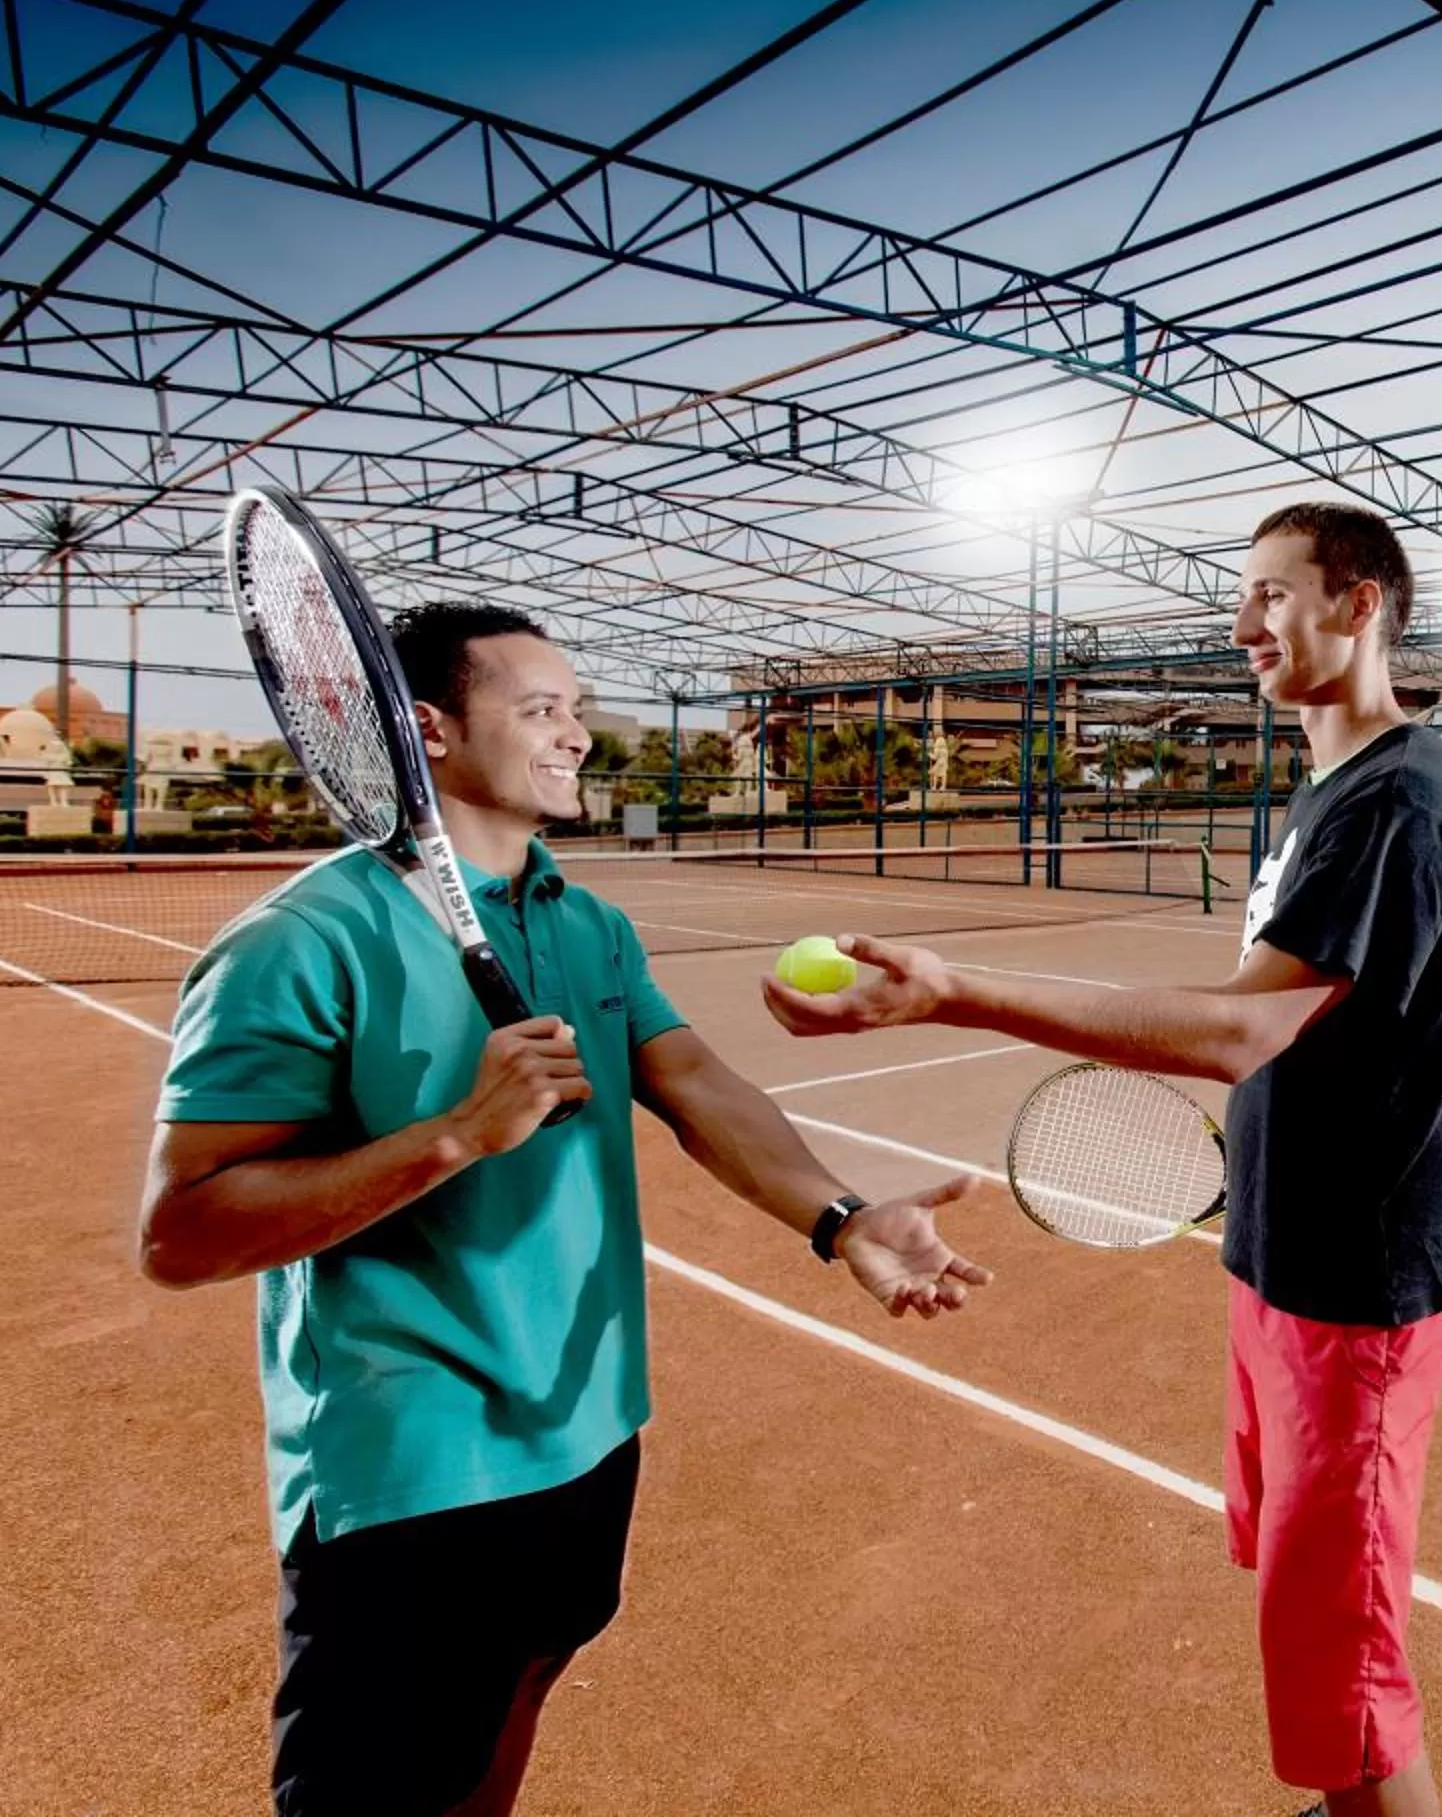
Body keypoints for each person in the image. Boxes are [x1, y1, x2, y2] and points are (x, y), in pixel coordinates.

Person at [138, 601, 990, 1816]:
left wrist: (841, 1215)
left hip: (587, 1422)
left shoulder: (586, 919)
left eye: (576, 709)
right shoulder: (299, 941)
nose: (579, 735)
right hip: (412, 1460)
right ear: (426, 730)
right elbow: (180, 1233)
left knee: (515, 1699)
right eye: (540, 710)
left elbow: (693, 1080)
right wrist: (452, 1136)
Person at [766, 504, 1442, 1817]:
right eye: (1244, 599)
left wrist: (953, 990)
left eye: (1274, 595)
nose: (1241, 627)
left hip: (1357, 1281)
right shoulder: (1332, 793)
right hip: (1283, 1256)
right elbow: (1301, 1033)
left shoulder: (1399, 795)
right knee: (1310, 1606)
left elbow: (1240, 1029)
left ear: (1360, 606)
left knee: (1347, 1655)